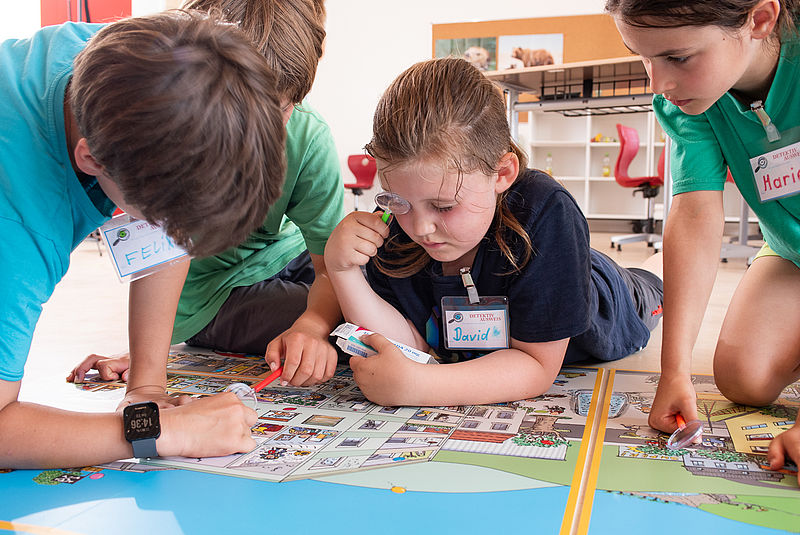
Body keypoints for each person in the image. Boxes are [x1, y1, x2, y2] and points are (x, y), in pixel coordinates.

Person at [0, 10, 290, 467]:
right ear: (92, 160)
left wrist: (146, 387)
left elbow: (164, 228)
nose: (180, 241)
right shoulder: (17, 227)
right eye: (172, 221)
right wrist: (159, 430)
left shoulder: (140, 60)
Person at [323, 57, 664, 407]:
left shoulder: (547, 209)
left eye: (443, 207)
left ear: (501, 173)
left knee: (652, 284)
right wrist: (343, 271)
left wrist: (423, 385)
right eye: (400, 202)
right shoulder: (396, 218)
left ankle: (658, 263)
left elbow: (536, 366)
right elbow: (404, 346)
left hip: (614, 294)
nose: (421, 228)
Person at [68, 0, 344, 392]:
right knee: (342, 331)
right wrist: (148, 367)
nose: (258, 133)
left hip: (284, 255)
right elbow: (163, 238)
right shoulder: (165, 116)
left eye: (279, 111)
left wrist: (314, 325)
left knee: (368, 303)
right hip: (215, 290)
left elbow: (331, 265)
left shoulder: (308, 134)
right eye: (245, 115)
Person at [606, 0, 800, 475]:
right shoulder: (692, 99)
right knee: (743, 379)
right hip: (791, 251)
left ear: (759, 19)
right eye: (643, 57)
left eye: (678, 57)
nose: (659, 84)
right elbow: (695, 211)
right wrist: (674, 370)